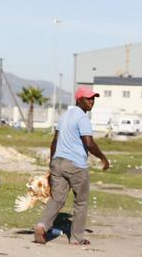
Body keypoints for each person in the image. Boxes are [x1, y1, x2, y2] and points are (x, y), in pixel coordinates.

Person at [34, 87, 109, 245]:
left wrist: (52, 163)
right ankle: (76, 238)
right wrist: (103, 157)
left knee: (57, 199)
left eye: (93, 99)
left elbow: (54, 141)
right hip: (76, 165)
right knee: (81, 202)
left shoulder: (65, 116)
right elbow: (88, 142)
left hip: (58, 162)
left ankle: (42, 226)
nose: (91, 102)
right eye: (88, 99)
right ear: (78, 100)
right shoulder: (82, 118)